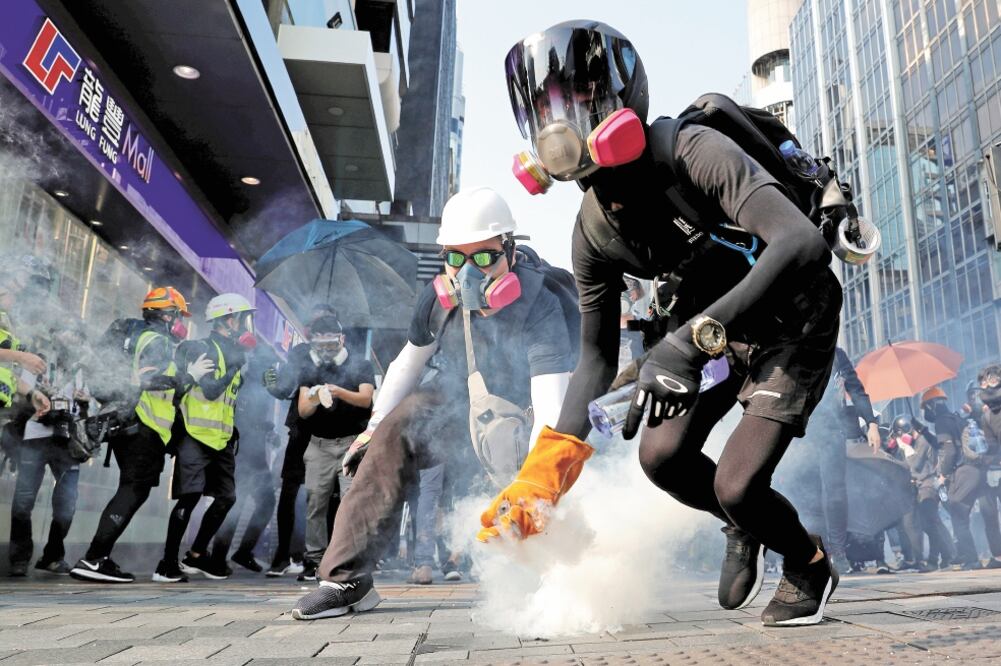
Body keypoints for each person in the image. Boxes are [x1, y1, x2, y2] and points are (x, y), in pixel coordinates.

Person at [483, 21, 849, 627]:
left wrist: (684, 342)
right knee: (663, 459)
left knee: (737, 485)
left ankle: (808, 565)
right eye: (545, 110)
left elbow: (801, 243)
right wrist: (539, 481)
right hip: (715, 334)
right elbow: (594, 362)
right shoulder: (591, 235)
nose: (561, 124)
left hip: (794, 313)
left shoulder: (692, 151)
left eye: (576, 102)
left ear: (621, 96)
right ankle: (744, 527)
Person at [290, 187, 576, 619]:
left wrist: (536, 481)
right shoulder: (436, 300)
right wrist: (373, 428)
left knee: (543, 471)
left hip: (525, 412)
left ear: (510, 251)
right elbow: (409, 362)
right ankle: (346, 579)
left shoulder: (539, 303)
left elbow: (550, 402)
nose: (468, 273)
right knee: (396, 428)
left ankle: (558, 575)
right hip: (460, 402)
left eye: (483, 257)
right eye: (456, 258)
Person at [70, 287, 190, 583]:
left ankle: (100, 557)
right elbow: (150, 378)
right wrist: (187, 377)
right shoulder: (157, 341)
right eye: (178, 316)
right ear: (166, 314)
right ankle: (95, 558)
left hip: (132, 424)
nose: (181, 323)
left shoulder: (138, 337)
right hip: (144, 427)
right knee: (133, 490)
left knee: (132, 489)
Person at [154, 293, 255, 583]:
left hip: (220, 439)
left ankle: (197, 555)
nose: (248, 326)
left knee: (226, 497)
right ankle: (167, 564)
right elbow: (210, 390)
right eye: (244, 319)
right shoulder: (203, 348)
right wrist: (236, 364)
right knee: (190, 497)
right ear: (229, 320)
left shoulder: (234, 353)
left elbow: (228, 401)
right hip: (195, 435)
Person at [295, 315, 375, 581]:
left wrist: (339, 391)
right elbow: (303, 411)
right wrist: (317, 396)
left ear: (341, 340)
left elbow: (366, 399)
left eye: (331, 345)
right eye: (321, 346)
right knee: (315, 502)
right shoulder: (310, 367)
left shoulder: (359, 363)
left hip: (350, 444)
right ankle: (314, 559)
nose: (326, 351)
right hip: (318, 445)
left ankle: (348, 556)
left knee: (350, 502)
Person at [265, 303, 338, 578]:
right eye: (317, 325)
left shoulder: (340, 357)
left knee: (322, 496)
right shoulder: (299, 354)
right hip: (303, 429)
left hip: (327, 433)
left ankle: (311, 559)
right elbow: (284, 388)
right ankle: (285, 555)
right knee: (292, 492)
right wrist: (272, 384)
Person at [805, 347, 881, 574]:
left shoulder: (837, 355)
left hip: (832, 430)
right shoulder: (796, 346)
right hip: (801, 431)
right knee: (805, 492)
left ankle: (838, 552)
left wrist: (871, 423)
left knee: (835, 492)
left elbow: (856, 388)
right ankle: (806, 550)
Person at [208, 342, 282, 574]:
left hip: (251, 452)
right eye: (269, 365)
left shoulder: (257, 385)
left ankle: (235, 553)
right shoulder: (248, 385)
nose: (272, 370)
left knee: (249, 504)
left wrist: (268, 428)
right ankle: (221, 557)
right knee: (238, 504)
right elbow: (242, 417)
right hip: (244, 454)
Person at [925, 385, 1001, 569]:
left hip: (968, 471)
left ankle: (971, 559)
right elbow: (944, 444)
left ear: (932, 405)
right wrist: (923, 431)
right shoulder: (958, 418)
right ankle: (997, 557)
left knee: (958, 511)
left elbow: (949, 450)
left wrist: (943, 473)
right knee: (989, 514)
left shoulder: (943, 421)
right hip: (983, 469)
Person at [887, 415, 955, 572]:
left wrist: (905, 447)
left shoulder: (923, 441)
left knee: (930, 524)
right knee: (931, 524)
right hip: (919, 486)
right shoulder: (912, 443)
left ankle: (934, 560)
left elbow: (915, 465)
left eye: (899, 434)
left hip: (928, 485)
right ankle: (948, 554)